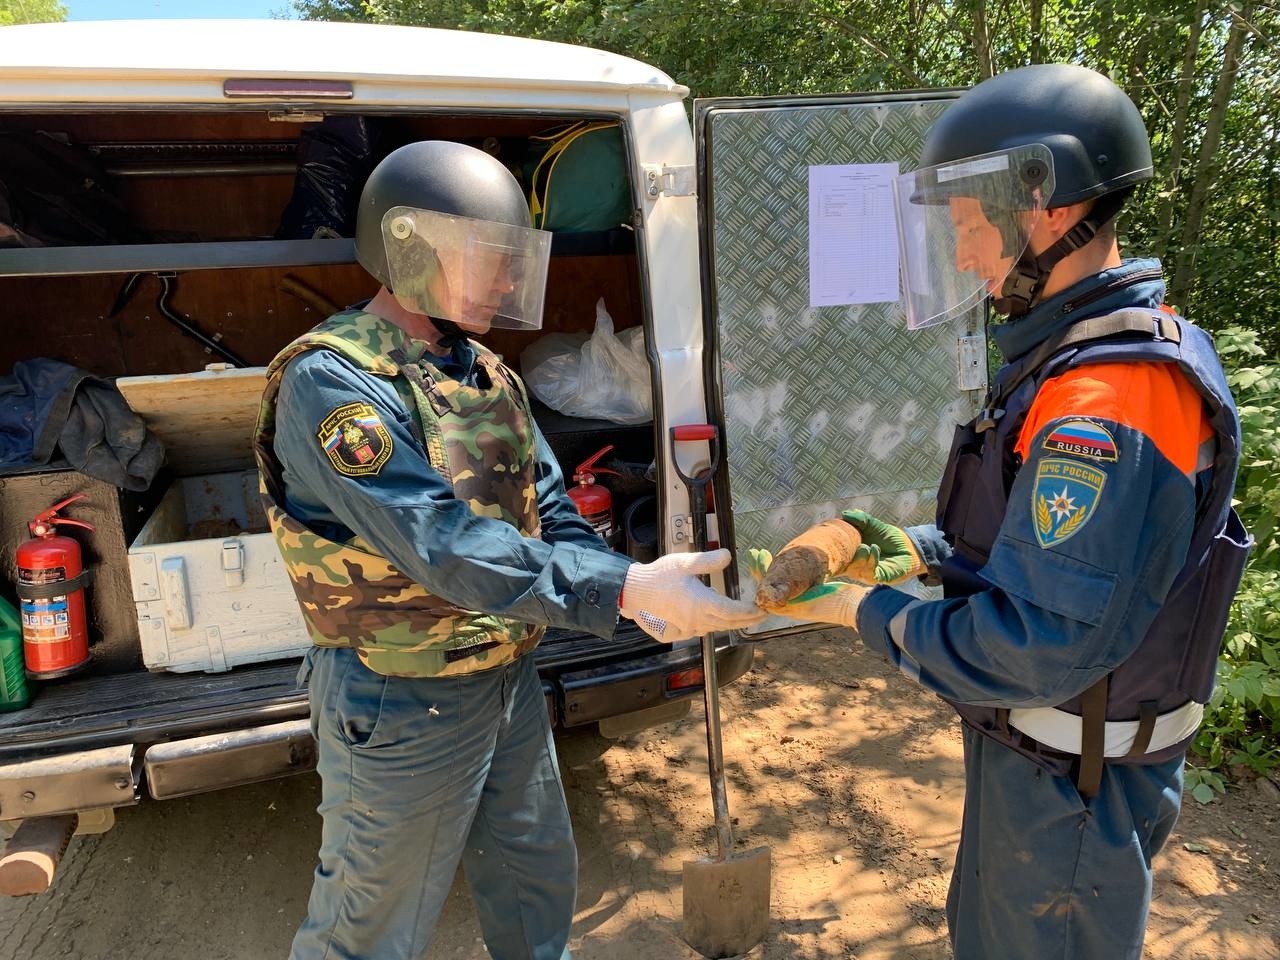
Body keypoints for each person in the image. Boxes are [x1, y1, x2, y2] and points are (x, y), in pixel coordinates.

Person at [750, 64, 1250, 959]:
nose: (965, 257)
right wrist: (910, 549)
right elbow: (1027, 547)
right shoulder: (1072, 358)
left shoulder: (1106, 399)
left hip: (1071, 791)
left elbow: (1034, 643)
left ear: (1048, 206)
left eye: (971, 227)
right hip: (1048, 761)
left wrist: (868, 613)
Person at [253, 139, 764, 960]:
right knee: (372, 928)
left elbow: (550, 512)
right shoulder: (335, 383)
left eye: (509, 260)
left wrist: (629, 585)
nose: (504, 281)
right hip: (400, 693)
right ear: (408, 249)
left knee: (535, 888)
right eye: (485, 259)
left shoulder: (485, 371)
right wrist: (627, 589)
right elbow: (442, 544)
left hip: (505, 678)